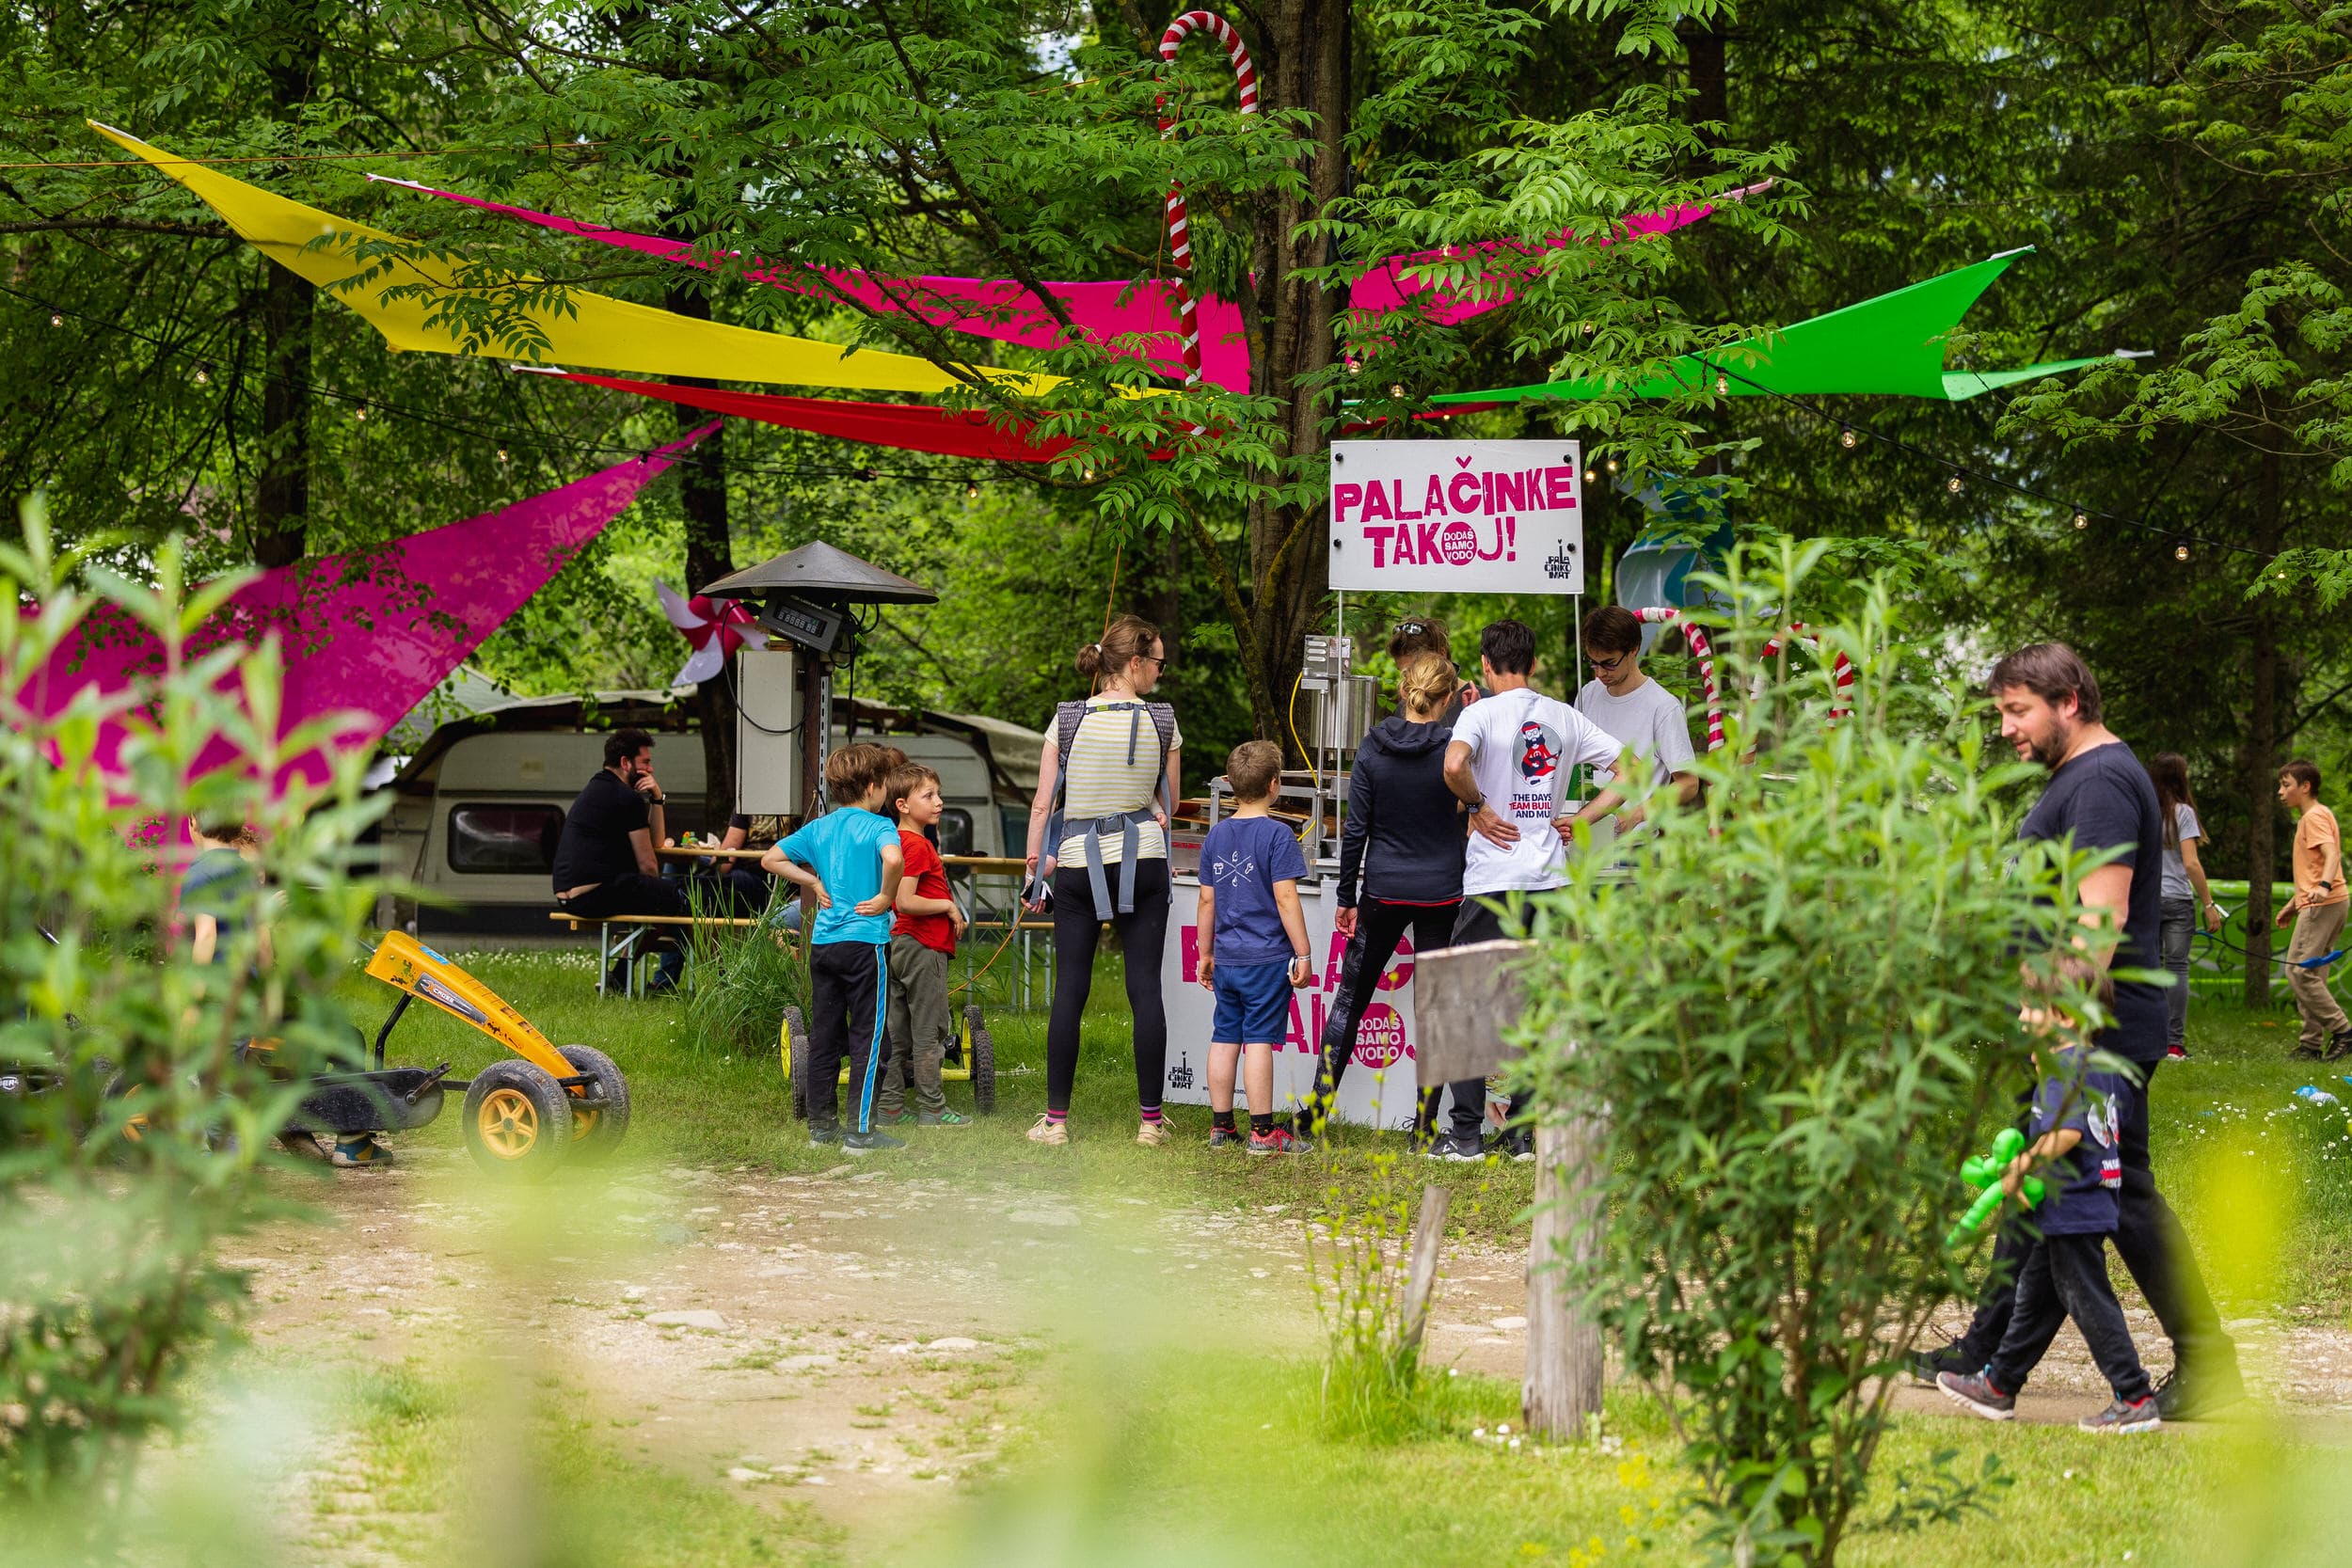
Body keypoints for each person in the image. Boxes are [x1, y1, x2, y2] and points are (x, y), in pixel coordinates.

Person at [1921, 643, 2241, 1419]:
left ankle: (2204, 1365)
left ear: (2068, 700)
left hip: (2092, 1029)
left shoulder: (2098, 781)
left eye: (2017, 710)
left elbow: (2096, 927)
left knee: (2116, 1193)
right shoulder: (2089, 776)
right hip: (2085, 1028)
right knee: (2051, 1183)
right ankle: (1989, 1355)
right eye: (2001, 711)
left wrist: (2050, 1020)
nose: (2006, 729)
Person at [1436, 619, 1630, 1162]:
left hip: (1492, 880)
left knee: (1469, 1003)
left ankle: (1468, 1135)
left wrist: (1478, 806)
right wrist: (1582, 818)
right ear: (1535, 665)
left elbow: (1453, 764)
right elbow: (1633, 770)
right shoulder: (1565, 716)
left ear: (1485, 664)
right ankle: (1522, 1134)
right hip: (1550, 879)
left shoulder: (1477, 713)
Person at [1937, 1037, 2161, 1433]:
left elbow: (2068, 1132)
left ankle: (2135, 1396)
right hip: (2087, 1199)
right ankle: (1998, 1385)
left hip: (2073, 1206)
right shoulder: (2099, 1061)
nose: (2021, 1020)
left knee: (2089, 1301)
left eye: (2030, 1009)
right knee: (2036, 1297)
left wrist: (2021, 1167)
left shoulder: (2063, 1066)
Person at [1022, 614, 1182, 1148]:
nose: (1161, 671)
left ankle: (1056, 1122)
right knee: (1144, 989)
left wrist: (1031, 868)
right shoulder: (1163, 721)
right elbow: (1171, 803)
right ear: (1134, 663)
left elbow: (1044, 803)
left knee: (1071, 989)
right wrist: (1152, 804)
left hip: (1074, 862)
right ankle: (1150, 1124)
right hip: (1145, 857)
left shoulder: (1066, 719)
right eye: (1157, 662)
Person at [1304, 652, 1466, 1139]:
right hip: (1443, 890)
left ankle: (1313, 1120)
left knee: (1349, 1002)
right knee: (1435, 1011)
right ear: (1447, 698)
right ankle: (1424, 1129)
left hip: (1384, 890)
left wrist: (1345, 895)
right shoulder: (1455, 750)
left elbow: (1356, 830)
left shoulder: (1372, 747)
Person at [764, 743, 905, 1153]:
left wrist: (811, 882)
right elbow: (894, 861)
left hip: (824, 945)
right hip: (866, 946)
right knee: (870, 1039)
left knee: (825, 1037)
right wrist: (884, 897)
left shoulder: (820, 827)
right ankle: (860, 1133)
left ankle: (821, 1130)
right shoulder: (880, 826)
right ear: (876, 786)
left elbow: (771, 859)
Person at [1195, 740, 1317, 1154]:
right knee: (1259, 1040)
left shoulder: (1215, 836)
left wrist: (1204, 953)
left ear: (1229, 784)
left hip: (1226, 957)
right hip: (1265, 958)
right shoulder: (1279, 835)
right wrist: (1303, 952)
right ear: (1274, 785)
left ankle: (1221, 1126)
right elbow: (1285, 899)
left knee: (1225, 1036)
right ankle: (1263, 1132)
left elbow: (1207, 900)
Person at [552, 728, 689, 991]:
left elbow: (656, 843)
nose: (650, 769)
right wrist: (661, 894)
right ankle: (707, 978)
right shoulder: (625, 798)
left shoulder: (598, 788)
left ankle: (620, 978)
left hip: (571, 894)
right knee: (684, 899)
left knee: (664, 904)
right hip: (595, 893)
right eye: (645, 762)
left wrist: (657, 799)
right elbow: (648, 864)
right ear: (626, 763)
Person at [878, 763, 971, 1127]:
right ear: (902, 804)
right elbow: (905, 901)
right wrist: (949, 906)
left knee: (898, 1034)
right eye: (928, 795)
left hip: (901, 945)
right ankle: (932, 1108)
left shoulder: (898, 842)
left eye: (938, 794)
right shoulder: (915, 845)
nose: (938, 802)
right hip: (922, 946)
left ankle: (890, 1108)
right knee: (929, 1033)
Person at [1575, 604, 1699, 832]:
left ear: (1634, 649)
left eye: (1609, 663)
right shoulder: (1588, 694)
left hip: (1635, 845)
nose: (1600, 672)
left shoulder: (1663, 707)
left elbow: (1689, 783)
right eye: (1593, 662)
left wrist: (1639, 813)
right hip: (1587, 838)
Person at [2148, 752, 2223, 1060]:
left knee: (2150, 968)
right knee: (2176, 969)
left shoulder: (2145, 811)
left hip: (2147, 900)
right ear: (2180, 778)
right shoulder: (2183, 813)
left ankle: (2146, 1040)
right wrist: (2209, 904)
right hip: (2177, 900)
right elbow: (2191, 864)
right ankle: (2173, 1045)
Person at [2275, 758, 2351, 1061]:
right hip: (2329, 902)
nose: (2281, 792)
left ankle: (2343, 1030)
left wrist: (2323, 886)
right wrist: (2293, 905)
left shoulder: (2313, 817)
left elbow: (2332, 855)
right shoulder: (2319, 815)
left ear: (2305, 787)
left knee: (2299, 970)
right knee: (2313, 974)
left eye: (2286, 785)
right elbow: (2317, 863)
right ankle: (2310, 1044)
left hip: (2324, 903)